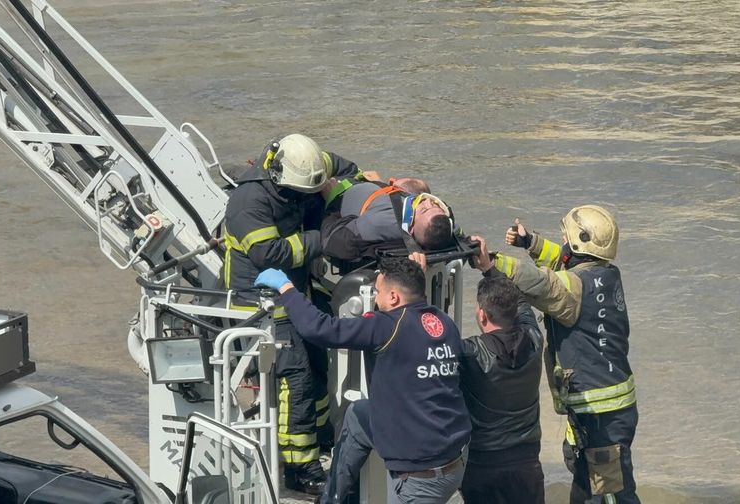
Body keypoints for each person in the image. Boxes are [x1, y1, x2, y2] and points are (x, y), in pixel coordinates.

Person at [254, 257, 471, 504]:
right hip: (453, 454)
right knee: (358, 414)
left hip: (419, 478)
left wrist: (286, 288)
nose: (375, 298)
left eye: (378, 292)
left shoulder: (385, 327)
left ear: (393, 298)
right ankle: (332, 498)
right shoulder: (444, 323)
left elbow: (319, 329)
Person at [223, 133, 361, 494]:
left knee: (318, 364)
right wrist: (323, 237)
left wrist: (357, 190)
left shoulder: (308, 163)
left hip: (295, 293)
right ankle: (300, 467)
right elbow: (271, 255)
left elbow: (347, 169)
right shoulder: (248, 202)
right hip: (259, 303)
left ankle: (320, 436)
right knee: (296, 378)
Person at [493, 206, 639, 504]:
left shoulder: (572, 289)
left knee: (610, 495)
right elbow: (564, 263)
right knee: (587, 481)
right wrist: (530, 243)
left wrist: (489, 262)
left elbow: (541, 282)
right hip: (600, 409)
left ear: (578, 242)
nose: (561, 238)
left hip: (599, 414)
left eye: (566, 235)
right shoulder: (606, 274)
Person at [458, 235, 545, 504]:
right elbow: (519, 300)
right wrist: (488, 269)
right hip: (527, 462)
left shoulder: (470, 354)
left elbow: (427, 342)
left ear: (482, 315)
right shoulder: (534, 338)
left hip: (483, 465)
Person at [319, 177, 456, 264]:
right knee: (419, 185)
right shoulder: (440, 227)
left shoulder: (382, 222)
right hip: (373, 187)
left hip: (340, 193)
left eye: (423, 210)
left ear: (411, 228)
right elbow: (453, 229)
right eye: (435, 206)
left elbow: (330, 239)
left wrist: (331, 197)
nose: (427, 201)